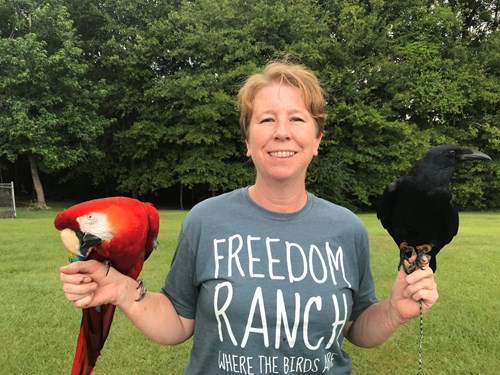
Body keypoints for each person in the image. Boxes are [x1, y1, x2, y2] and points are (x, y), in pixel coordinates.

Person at [60, 60, 438, 374]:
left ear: (317, 140)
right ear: (247, 141)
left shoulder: (347, 229)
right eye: (266, 120)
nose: (282, 133)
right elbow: (177, 323)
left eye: (297, 119)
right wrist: (123, 291)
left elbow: (357, 328)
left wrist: (393, 310)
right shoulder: (205, 220)